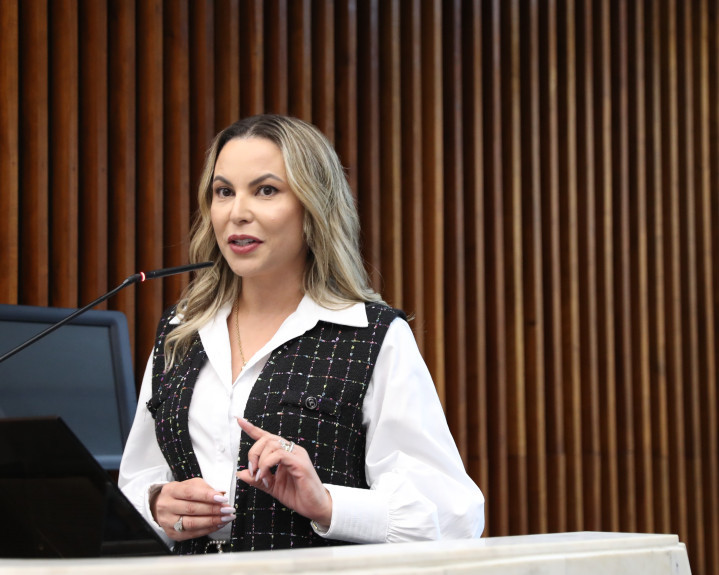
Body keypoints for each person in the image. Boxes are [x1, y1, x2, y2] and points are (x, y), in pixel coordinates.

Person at [118, 114, 484, 554]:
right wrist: (155, 504)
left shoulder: (373, 336)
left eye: (266, 190)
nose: (237, 213)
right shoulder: (179, 331)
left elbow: (454, 515)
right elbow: (137, 481)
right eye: (224, 192)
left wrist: (328, 505)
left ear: (313, 206)